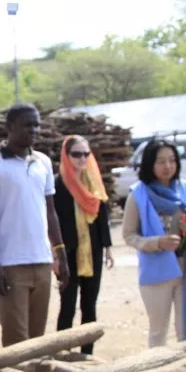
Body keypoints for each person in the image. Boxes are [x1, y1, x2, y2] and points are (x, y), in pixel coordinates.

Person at [0, 104, 67, 347]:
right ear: (10, 127)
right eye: (28, 125)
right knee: (16, 340)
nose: (33, 130)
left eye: (36, 125)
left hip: (41, 260)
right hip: (10, 264)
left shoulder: (43, 162)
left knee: (37, 340)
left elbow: (50, 212)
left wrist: (60, 254)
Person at [122, 139, 186, 346]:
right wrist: (157, 243)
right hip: (156, 272)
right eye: (161, 161)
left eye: (172, 160)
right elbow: (129, 235)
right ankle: (157, 367)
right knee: (158, 332)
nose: (168, 166)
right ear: (149, 164)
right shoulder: (138, 194)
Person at [52, 135, 114, 354]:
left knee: (90, 305)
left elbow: (102, 217)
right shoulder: (58, 184)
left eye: (86, 154)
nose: (82, 159)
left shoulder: (93, 181)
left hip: (93, 250)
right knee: (67, 304)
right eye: (76, 154)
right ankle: (62, 352)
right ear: (66, 156)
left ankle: (87, 353)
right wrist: (54, 254)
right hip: (67, 252)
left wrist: (107, 248)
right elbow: (52, 220)